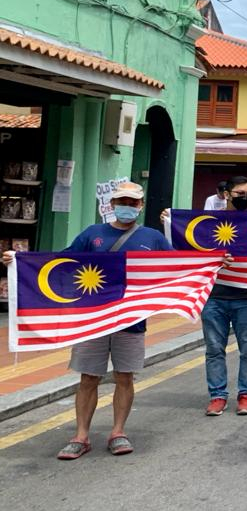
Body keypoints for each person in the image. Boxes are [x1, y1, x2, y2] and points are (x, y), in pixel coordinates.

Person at [3, 181, 173, 460]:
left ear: (140, 206)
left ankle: (118, 432)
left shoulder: (153, 238)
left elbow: (178, 265)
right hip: (92, 318)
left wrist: (215, 260)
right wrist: (20, 261)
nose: (127, 207)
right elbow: (60, 261)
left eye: (132, 203)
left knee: (124, 377)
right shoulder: (92, 234)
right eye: (122, 202)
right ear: (112, 205)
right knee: (88, 378)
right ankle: (81, 436)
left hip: (131, 319)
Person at [199, 176, 247, 417]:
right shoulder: (207, 223)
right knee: (214, 349)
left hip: (246, 296)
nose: (245, 198)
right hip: (214, 295)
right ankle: (217, 396)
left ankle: (246, 395)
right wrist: (168, 220)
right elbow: (190, 247)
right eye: (239, 193)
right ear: (226, 195)